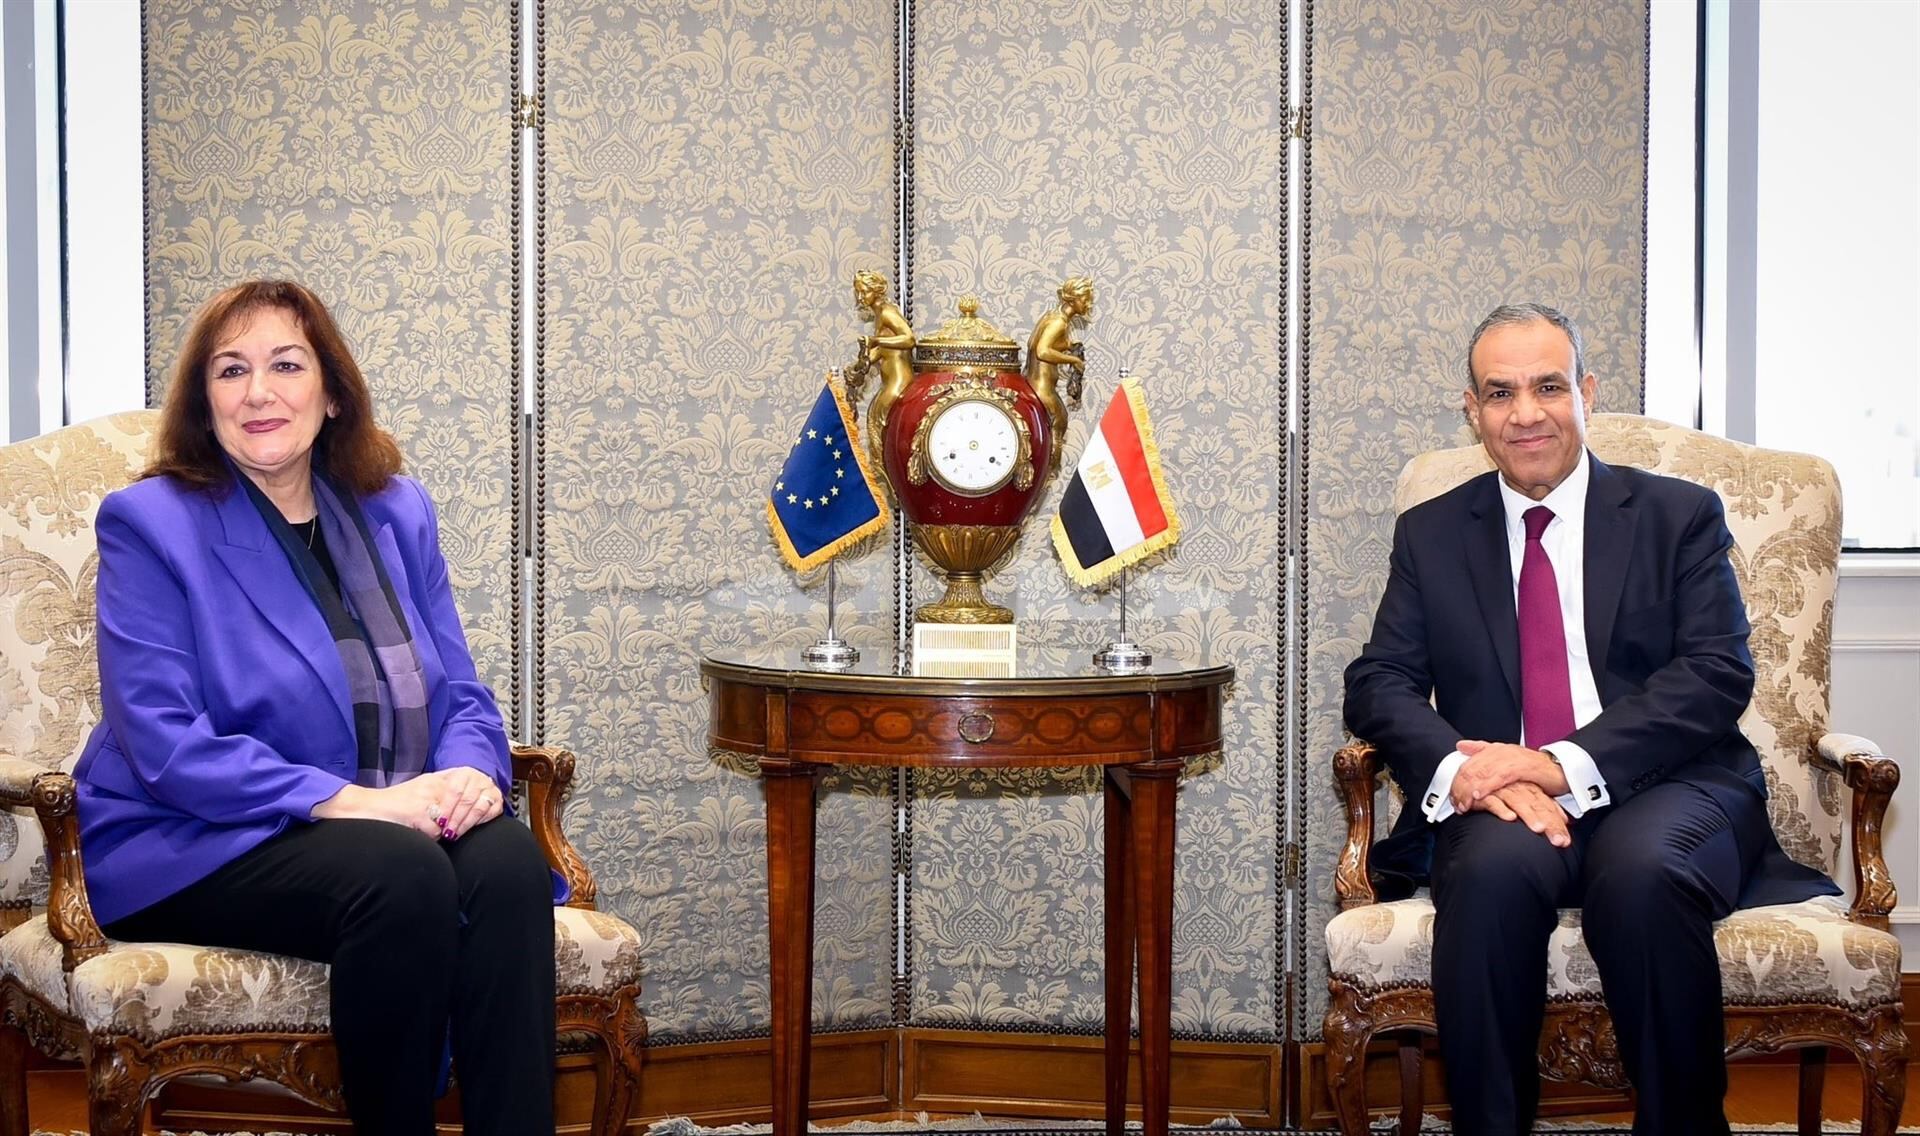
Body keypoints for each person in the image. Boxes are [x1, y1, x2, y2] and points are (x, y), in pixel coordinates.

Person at [74, 280, 554, 1135]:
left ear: (332, 393)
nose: (258, 392)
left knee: (509, 862)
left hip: (380, 823)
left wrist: (470, 777)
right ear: (205, 403)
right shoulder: (150, 524)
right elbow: (165, 745)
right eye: (231, 371)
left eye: (286, 366)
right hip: (191, 838)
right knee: (403, 873)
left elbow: (461, 693)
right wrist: (365, 804)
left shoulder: (394, 509)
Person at [1342, 303, 1835, 1136]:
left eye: (1548, 387)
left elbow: (1715, 673)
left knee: (1641, 875)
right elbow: (1378, 681)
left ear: (1586, 393)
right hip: (1507, 803)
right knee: (1488, 877)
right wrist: (1466, 771)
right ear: (1472, 411)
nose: (1525, 413)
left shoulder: (1678, 515)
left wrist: (1556, 763)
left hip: (1671, 786)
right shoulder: (1431, 534)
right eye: (1500, 393)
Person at [1023, 276, 1093, 473]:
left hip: (1032, 383)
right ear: (1073, 299)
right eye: (1085, 299)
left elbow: (1040, 343)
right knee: (1058, 423)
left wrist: (1068, 345)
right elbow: (1042, 351)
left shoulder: (1052, 316)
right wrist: (1073, 360)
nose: (1088, 304)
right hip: (1042, 388)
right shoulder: (1059, 323)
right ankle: (1044, 475)